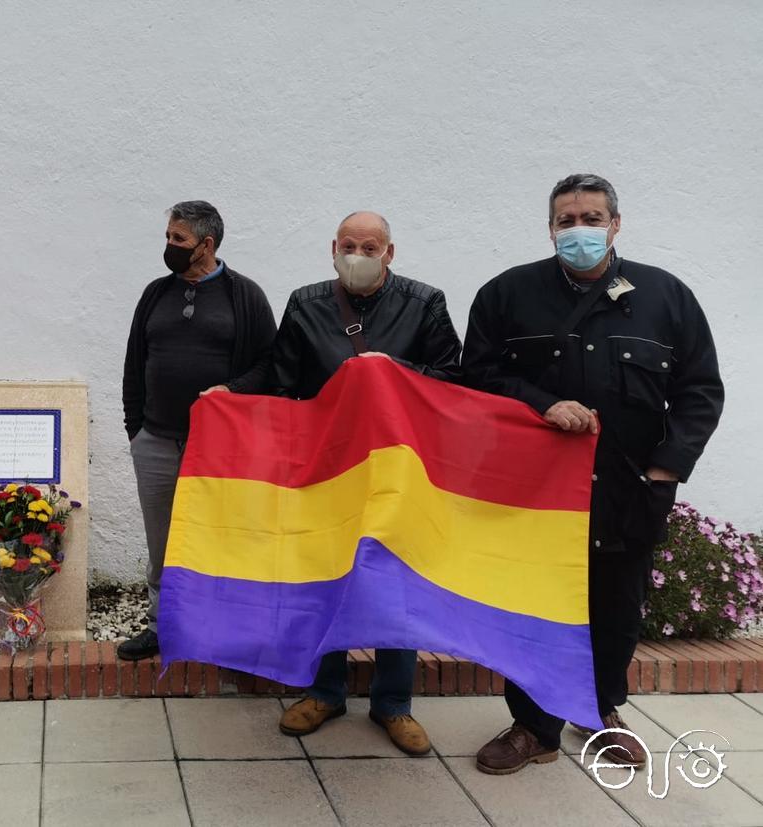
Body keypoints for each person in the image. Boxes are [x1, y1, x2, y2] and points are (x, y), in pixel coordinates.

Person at [464, 174, 724, 775]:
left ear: (615, 224)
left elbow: (700, 391)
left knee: (615, 607)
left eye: (591, 217)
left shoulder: (667, 297)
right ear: (550, 227)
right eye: (566, 219)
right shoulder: (507, 294)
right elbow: (475, 378)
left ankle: (601, 711)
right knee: (534, 605)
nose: (578, 229)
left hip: (630, 487)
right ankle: (533, 726)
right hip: (535, 492)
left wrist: (666, 469)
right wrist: (539, 404)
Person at [272, 211, 462, 755]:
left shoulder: (425, 302)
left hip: (398, 466)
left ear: (390, 252)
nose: (358, 254)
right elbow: (282, 383)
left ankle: (393, 704)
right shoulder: (305, 303)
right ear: (332, 248)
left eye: (370, 246)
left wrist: (392, 369)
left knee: (394, 581)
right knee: (325, 573)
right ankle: (325, 691)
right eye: (349, 245)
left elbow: (453, 375)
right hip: (328, 465)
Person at [119, 200, 277, 661]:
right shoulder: (154, 294)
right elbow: (134, 362)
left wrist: (232, 388)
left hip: (219, 449)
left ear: (206, 245)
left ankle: (223, 631)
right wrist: (136, 429)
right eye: (168, 237)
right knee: (162, 542)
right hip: (156, 442)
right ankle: (163, 627)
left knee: (222, 538)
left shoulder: (244, 296)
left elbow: (269, 363)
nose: (169, 247)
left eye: (178, 240)